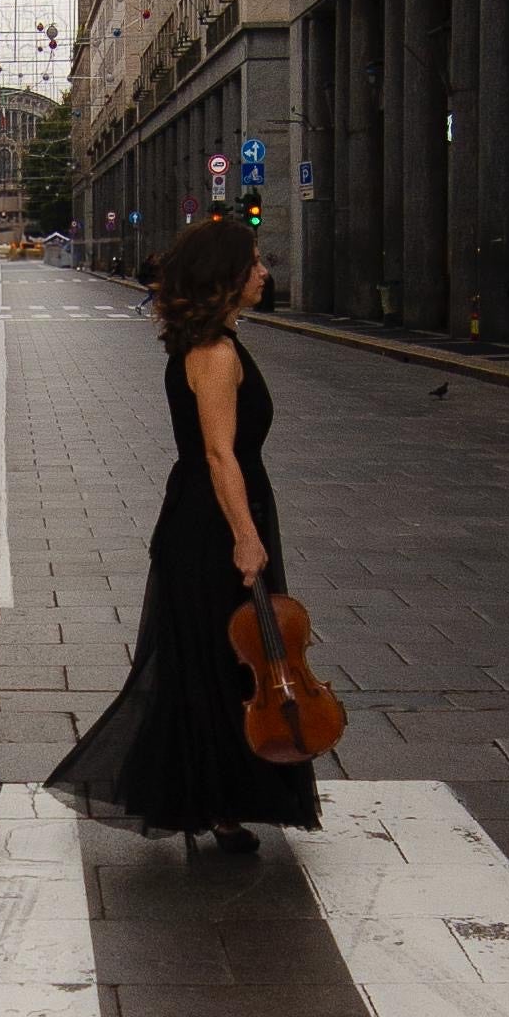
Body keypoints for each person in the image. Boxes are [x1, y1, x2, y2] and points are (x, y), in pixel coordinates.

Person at [49, 213, 319, 859]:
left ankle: (215, 800)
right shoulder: (216, 355)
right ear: (227, 275)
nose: (264, 273)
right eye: (254, 263)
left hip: (206, 513)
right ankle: (217, 801)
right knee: (219, 660)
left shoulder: (208, 344)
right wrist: (245, 535)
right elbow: (219, 455)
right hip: (215, 519)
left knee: (214, 659)